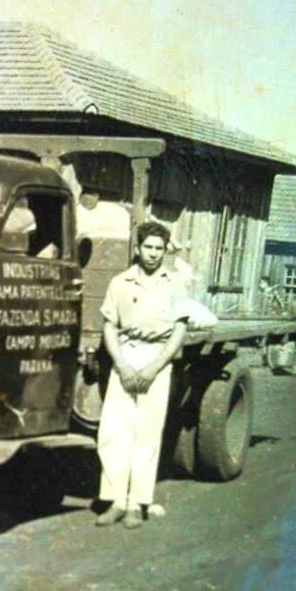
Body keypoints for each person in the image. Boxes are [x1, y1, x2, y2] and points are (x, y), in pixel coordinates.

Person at [94, 221, 188, 529]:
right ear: (138, 248)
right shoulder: (120, 283)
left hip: (157, 358)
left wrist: (156, 366)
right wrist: (120, 364)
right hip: (125, 355)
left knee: (146, 432)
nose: (153, 254)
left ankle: (136, 504)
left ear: (165, 251)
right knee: (113, 431)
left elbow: (179, 329)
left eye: (159, 249)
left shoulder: (174, 284)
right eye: (148, 247)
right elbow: (109, 325)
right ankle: (116, 501)